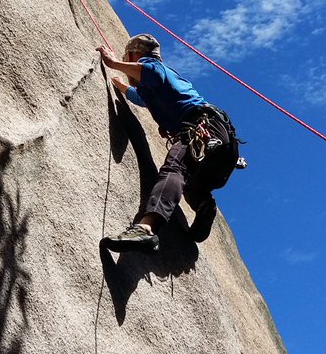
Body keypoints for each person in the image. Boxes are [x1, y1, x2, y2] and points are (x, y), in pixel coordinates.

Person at [97, 34, 239, 252]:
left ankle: (146, 229)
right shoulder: (160, 88)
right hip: (222, 145)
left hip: (202, 127)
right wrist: (122, 88)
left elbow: (150, 73)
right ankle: (203, 204)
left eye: (130, 58)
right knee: (191, 183)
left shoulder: (152, 65)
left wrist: (114, 63)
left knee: (176, 168)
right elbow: (142, 98)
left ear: (135, 54)